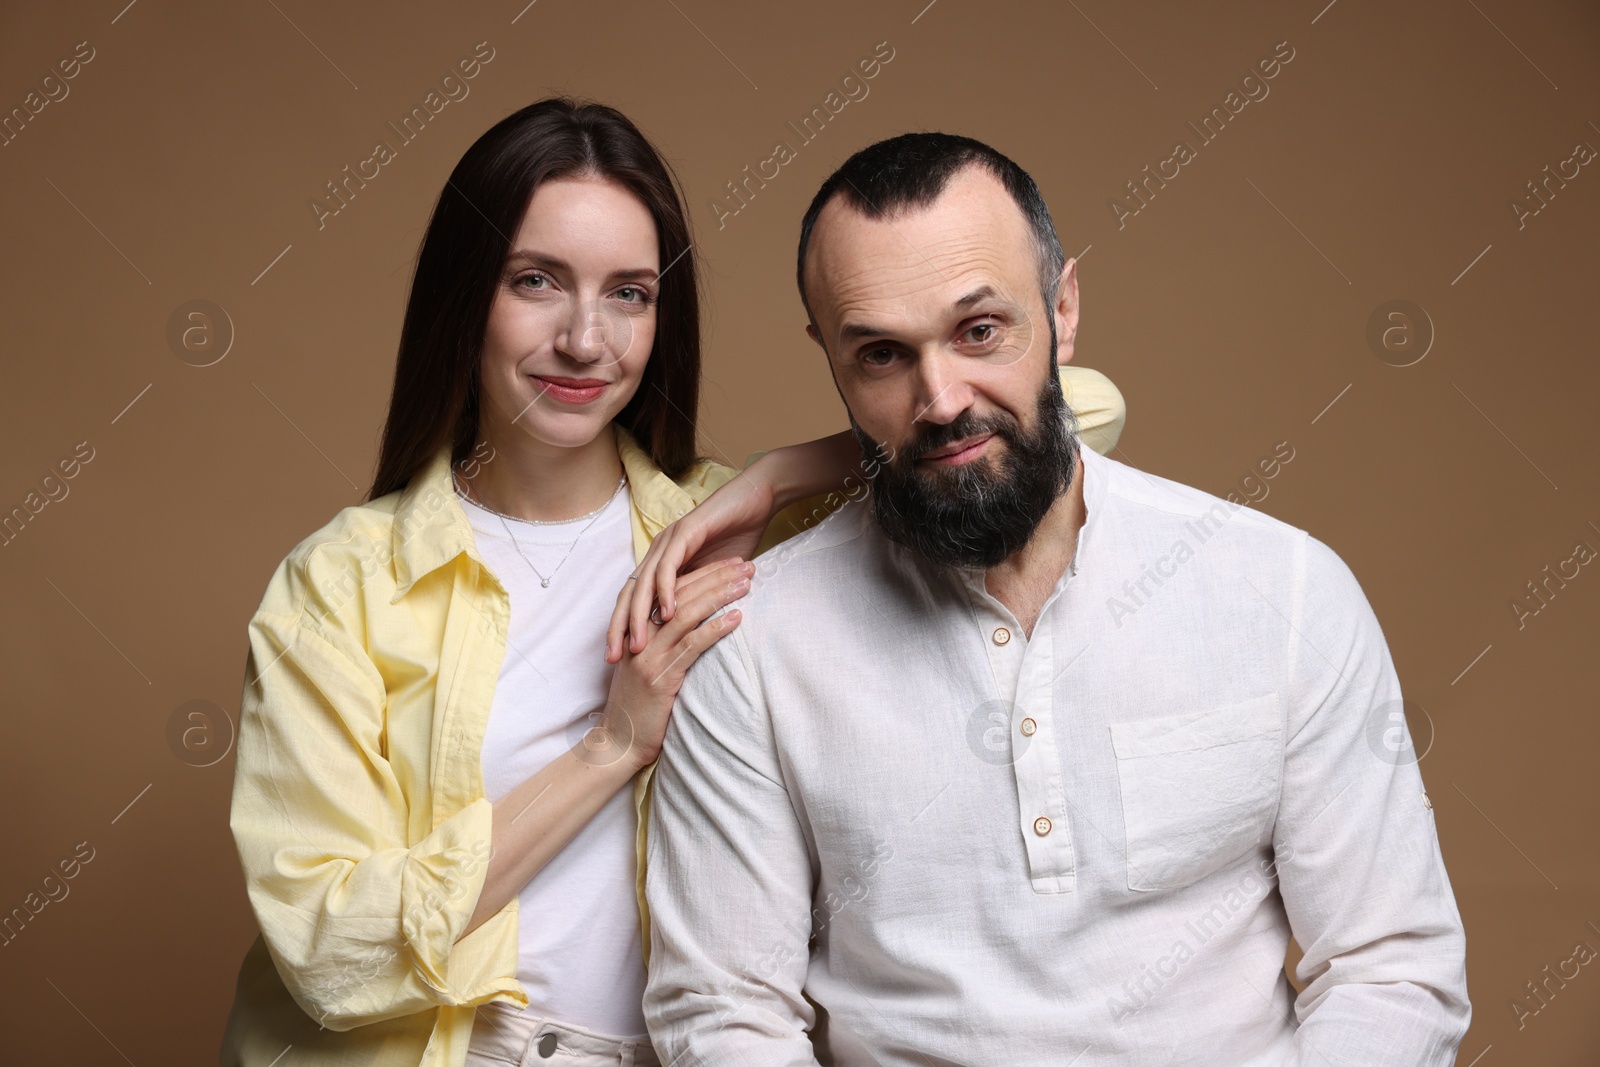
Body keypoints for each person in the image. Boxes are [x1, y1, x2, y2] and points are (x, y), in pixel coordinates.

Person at [218, 100, 1127, 1067]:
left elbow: (1082, 411)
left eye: (630, 294)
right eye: (536, 281)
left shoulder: (727, 534)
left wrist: (782, 472)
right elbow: (328, 951)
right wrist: (612, 745)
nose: (583, 339)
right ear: (464, 295)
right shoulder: (343, 585)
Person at [641, 132, 1472, 1066]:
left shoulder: (1282, 592)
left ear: (1063, 308)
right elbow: (723, 1012)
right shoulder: (756, 647)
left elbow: (1390, 964)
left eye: (980, 330)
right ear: (829, 358)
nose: (943, 398)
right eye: (881, 354)